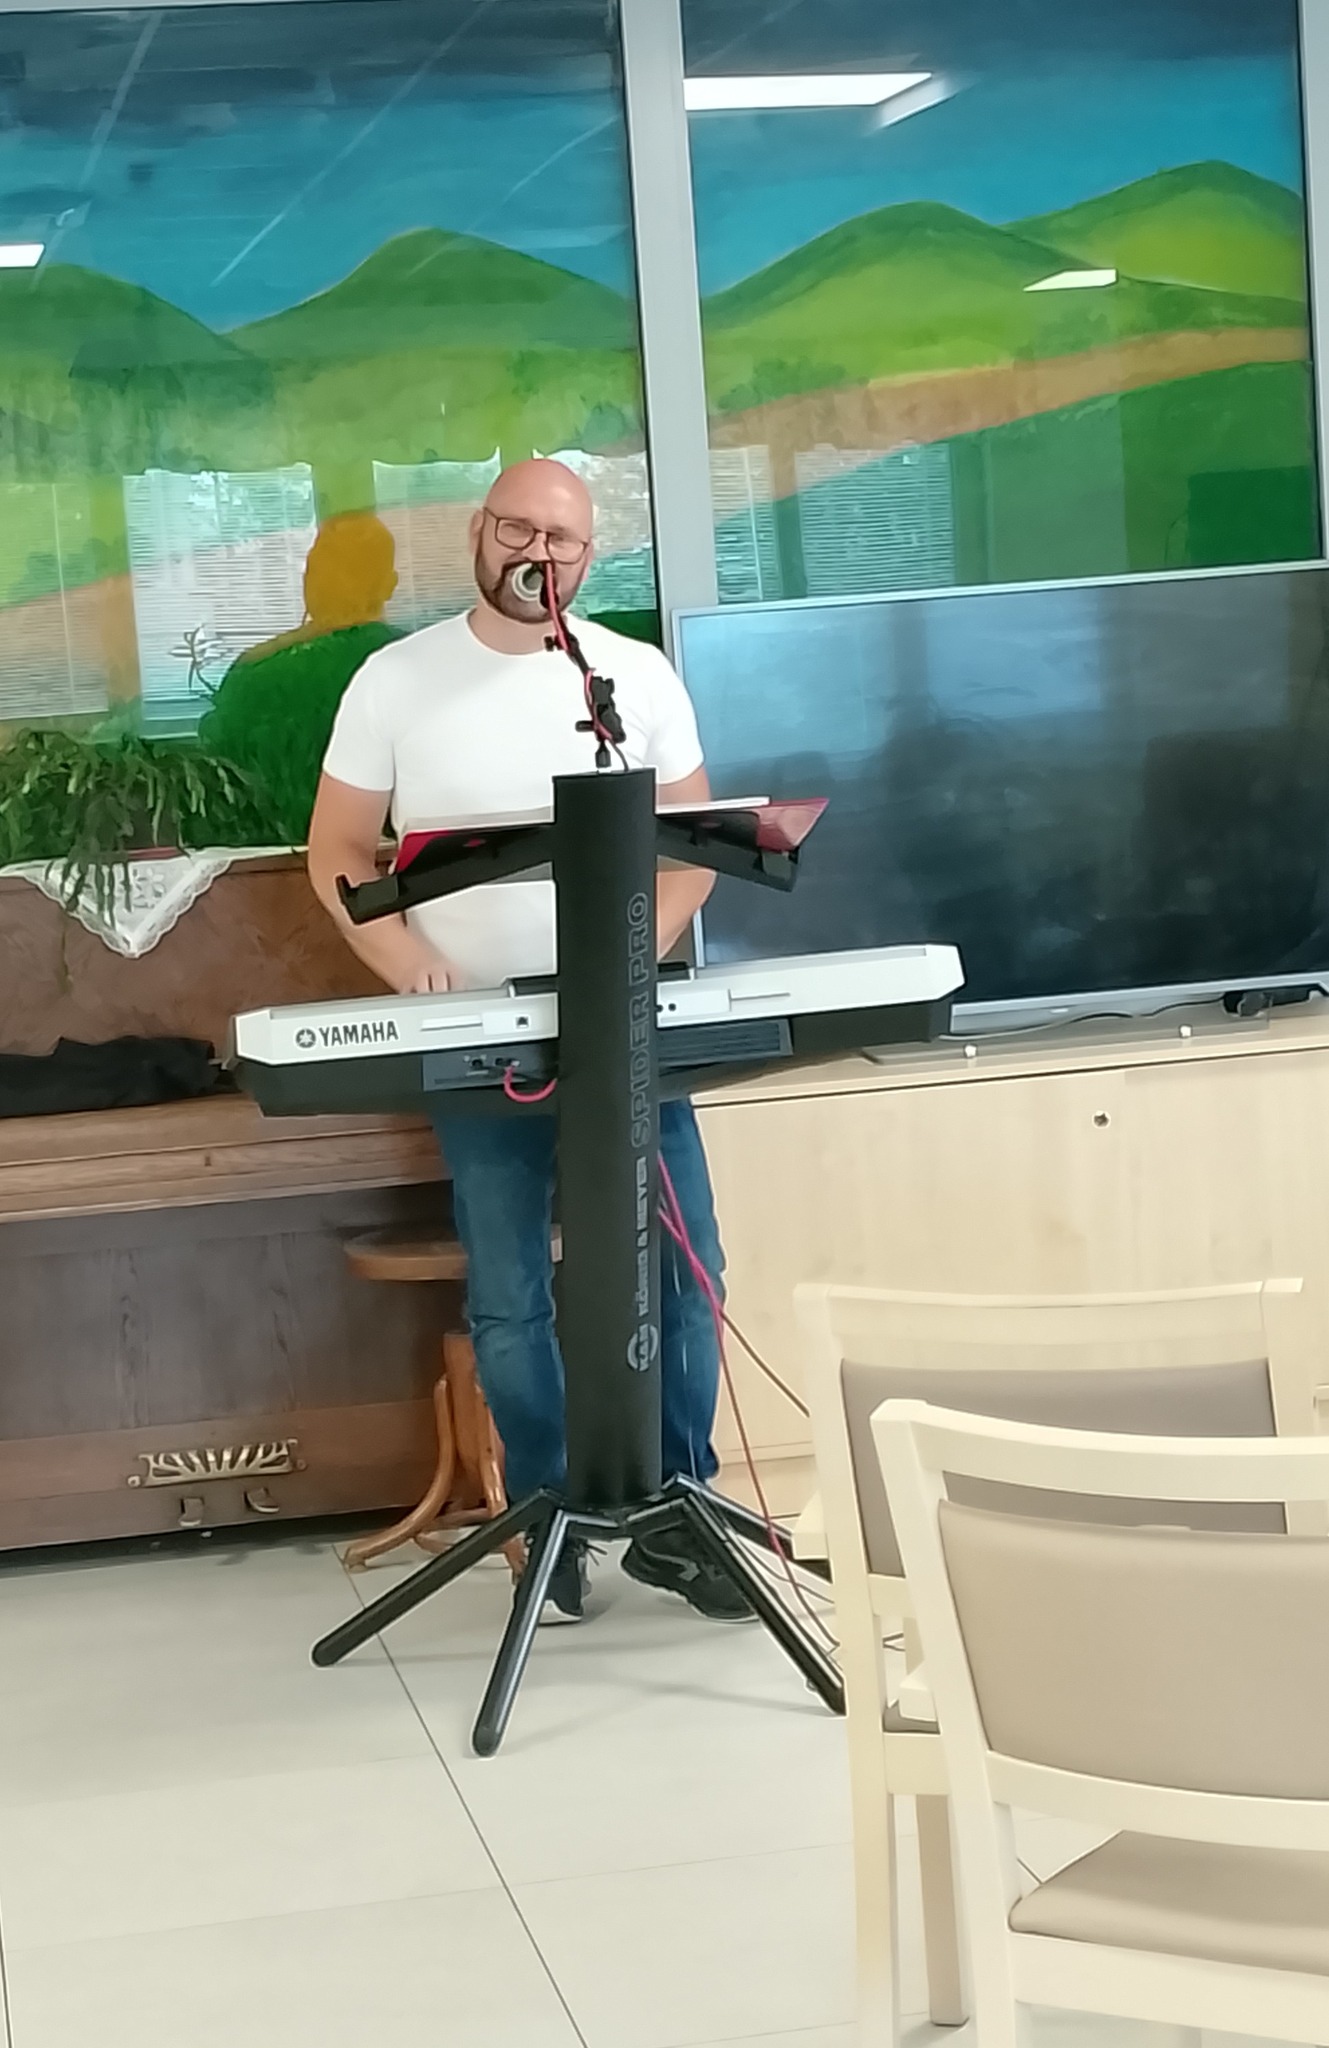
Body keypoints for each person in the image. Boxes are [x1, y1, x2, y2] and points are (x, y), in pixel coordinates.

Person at [307, 458, 750, 1625]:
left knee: (685, 1266)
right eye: (518, 529)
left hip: (625, 1028)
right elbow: (338, 848)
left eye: (562, 539)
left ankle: (676, 1507)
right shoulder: (396, 680)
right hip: (478, 1035)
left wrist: (636, 947)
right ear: (479, 531)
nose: (537, 554)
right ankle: (554, 1514)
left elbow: (698, 843)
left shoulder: (630, 676)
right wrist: (405, 961)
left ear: (588, 557)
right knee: (511, 1290)